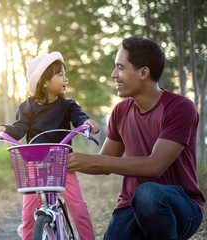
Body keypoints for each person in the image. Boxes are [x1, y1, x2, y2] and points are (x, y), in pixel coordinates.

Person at [68, 37, 205, 240]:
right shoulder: (120, 111)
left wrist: (90, 159)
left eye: (120, 68)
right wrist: (62, 161)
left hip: (181, 207)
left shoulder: (180, 107)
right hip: (129, 206)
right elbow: (104, 165)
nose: (114, 75)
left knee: (147, 194)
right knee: (140, 199)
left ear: (143, 72)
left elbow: (154, 166)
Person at [0, 51, 99, 240]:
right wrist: (5, 130)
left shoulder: (68, 105)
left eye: (65, 74)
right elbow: (20, 128)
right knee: (27, 217)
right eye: (60, 75)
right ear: (45, 81)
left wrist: (87, 122)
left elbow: (79, 118)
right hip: (35, 167)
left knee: (79, 209)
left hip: (63, 165)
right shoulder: (27, 107)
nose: (66, 79)